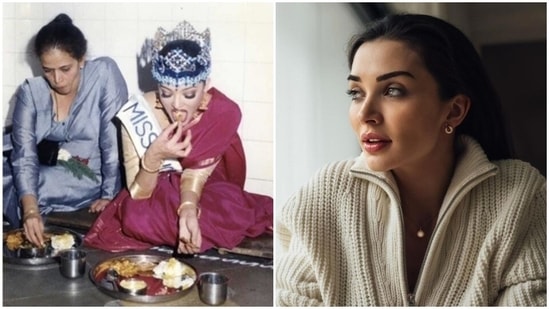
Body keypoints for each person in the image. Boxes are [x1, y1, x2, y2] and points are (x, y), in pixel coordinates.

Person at [276, 13, 546, 306]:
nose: (366, 113)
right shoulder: (325, 196)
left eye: (393, 90)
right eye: (356, 93)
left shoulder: (519, 196)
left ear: (454, 111)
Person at [84, 20, 273, 255]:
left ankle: (192, 226)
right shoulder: (138, 110)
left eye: (189, 94)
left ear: (206, 87)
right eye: (166, 93)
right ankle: (191, 230)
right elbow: (138, 193)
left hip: (204, 191)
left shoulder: (223, 111)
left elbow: (198, 174)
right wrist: (154, 156)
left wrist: (188, 208)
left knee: (228, 206)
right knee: (134, 217)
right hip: (152, 192)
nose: (176, 105)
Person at [3, 13, 128, 246]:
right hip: (45, 165)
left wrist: (109, 194)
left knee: (31, 185)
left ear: (82, 59)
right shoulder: (31, 92)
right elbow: (24, 154)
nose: (57, 79)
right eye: (48, 70)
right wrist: (31, 211)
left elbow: (112, 141)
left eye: (65, 68)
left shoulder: (103, 74)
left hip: (90, 173)